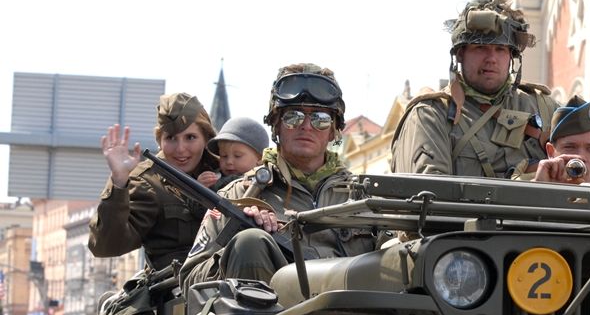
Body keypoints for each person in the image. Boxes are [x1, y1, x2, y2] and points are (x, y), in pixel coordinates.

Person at [390, 0, 590, 182]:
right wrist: (530, 183)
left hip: (542, 234)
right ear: (460, 55)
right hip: (463, 246)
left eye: (500, 49)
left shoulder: (539, 106)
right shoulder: (431, 115)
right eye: (480, 48)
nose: (491, 58)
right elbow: (428, 198)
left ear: (512, 56)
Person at [180, 64, 377, 290]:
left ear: (334, 130)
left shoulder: (366, 199)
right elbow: (189, 282)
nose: (306, 126)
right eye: (293, 117)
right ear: (276, 124)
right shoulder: (236, 196)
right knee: (249, 242)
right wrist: (236, 244)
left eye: (320, 118)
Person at [89, 93, 219, 270]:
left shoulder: (228, 170)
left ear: (206, 138)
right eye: (171, 138)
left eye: (190, 137)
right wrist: (119, 180)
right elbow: (106, 245)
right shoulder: (148, 183)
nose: (181, 149)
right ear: (159, 141)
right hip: (175, 288)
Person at [197, 117, 270, 191]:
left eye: (237, 156)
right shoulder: (214, 179)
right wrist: (199, 187)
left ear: (260, 158)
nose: (229, 162)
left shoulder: (265, 183)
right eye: (224, 156)